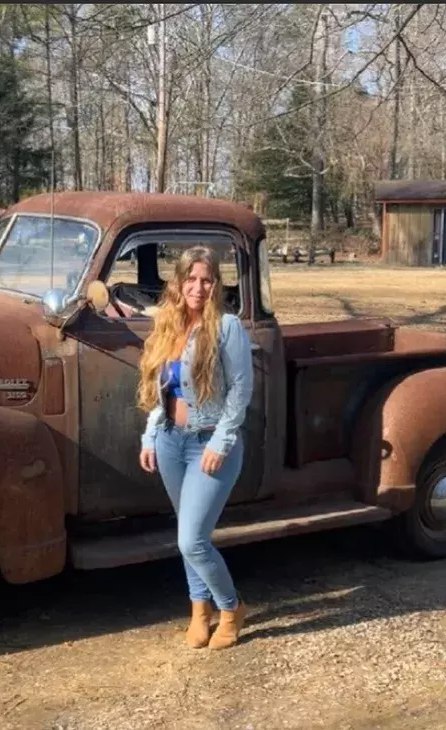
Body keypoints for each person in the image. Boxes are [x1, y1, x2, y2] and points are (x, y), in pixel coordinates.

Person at [137, 244, 254, 650]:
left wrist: (221, 442)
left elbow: (241, 391)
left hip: (210, 443)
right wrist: (151, 435)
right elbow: (161, 388)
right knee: (188, 532)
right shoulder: (167, 325)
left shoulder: (227, 327)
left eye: (206, 280)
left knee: (192, 540)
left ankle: (231, 608)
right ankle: (198, 613)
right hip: (171, 439)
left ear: (216, 284)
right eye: (191, 279)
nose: (198, 288)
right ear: (179, 282)